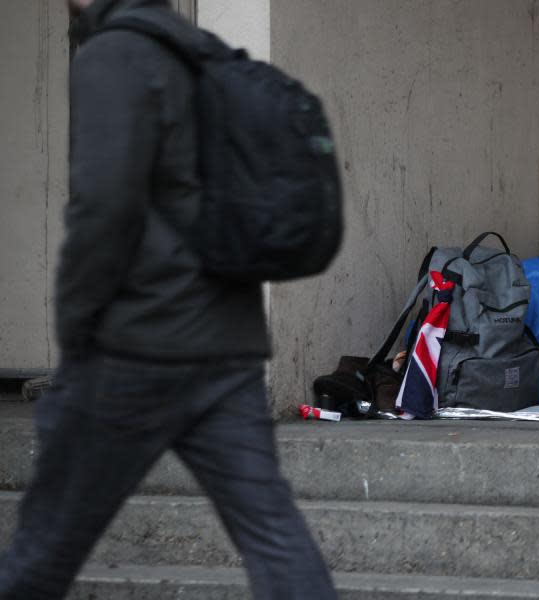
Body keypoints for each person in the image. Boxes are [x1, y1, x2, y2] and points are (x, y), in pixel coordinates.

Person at [0, 0, 338, 598]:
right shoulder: (198, 52)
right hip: (227, 345)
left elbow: (104, 207)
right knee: (275, 539)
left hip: (134, 348)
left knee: (41, 551)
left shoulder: (113, 55)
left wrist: (76, 327)